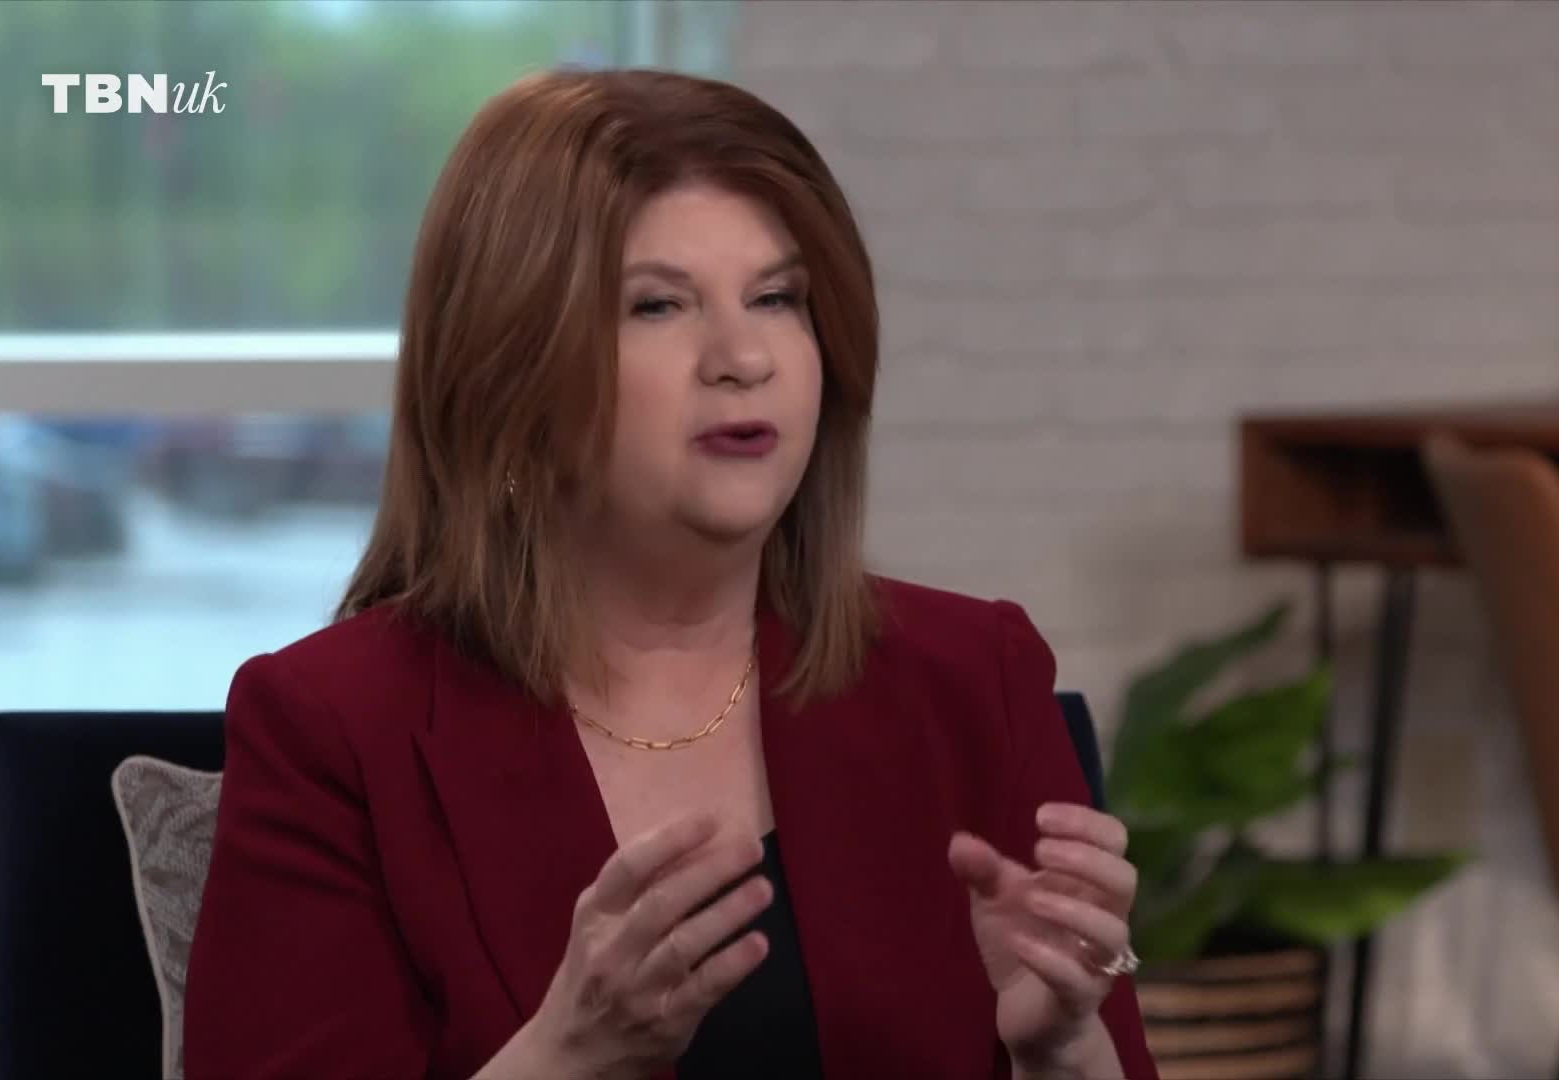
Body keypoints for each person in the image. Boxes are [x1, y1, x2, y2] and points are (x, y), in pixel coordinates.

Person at [182, 67, 1158, 1080]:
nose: (743, 357)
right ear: (510, 372)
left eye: (776, 298)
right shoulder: (333, 731)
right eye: (657, 306)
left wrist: (1062, 1052)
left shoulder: (974, 678)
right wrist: (565, 1056)